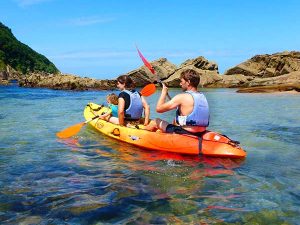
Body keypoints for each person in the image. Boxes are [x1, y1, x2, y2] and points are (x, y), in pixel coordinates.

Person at [145, 69, 209, 134]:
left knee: (155, 121)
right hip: (201, 132)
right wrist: (167, 94)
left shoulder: (182, 97)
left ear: (188, 82)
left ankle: (142, 135)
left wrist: (163, 93)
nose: (180, 84)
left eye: (181, 81)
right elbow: (179, 107)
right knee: (175, 120)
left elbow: (158, 109)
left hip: (186, 132)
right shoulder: (202, 96)